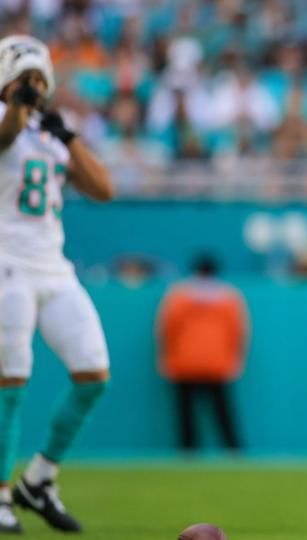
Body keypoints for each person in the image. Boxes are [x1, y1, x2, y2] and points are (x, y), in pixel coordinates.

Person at [0, 35, 115, 533]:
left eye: (39, 79)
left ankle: (40, 479)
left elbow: (104, 190)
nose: (33, 87)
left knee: (93, 373)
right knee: (11, 382)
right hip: (7, 263)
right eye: (25, 78)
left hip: (53, 266)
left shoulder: (51, 134)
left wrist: (67, 138)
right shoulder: (7, 122)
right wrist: (17, 108)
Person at [156, 254, 248, 452]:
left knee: (186, 412)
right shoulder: (229, 297)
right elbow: (238, 332)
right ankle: (234, 451)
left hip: (184, 361)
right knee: (223, 412)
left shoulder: (179, 296)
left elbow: (168, 329)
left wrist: (167, 358)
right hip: (218, 362)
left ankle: (188, 452)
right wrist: (235, 360)